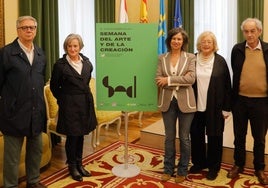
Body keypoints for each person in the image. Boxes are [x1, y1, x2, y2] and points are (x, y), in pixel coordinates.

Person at [0, 16, 47, 188]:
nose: (29, 30)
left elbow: (41, 80)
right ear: (18, 30)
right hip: (14, 114)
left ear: (36, 30)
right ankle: (10, 185)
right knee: (12, 157)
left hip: (36, 112)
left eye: (32, 27)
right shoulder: (6, 53)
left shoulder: (41, 54)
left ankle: (33, 181)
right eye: (25, 27)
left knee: (36, 151)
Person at [50, 33, 97, 182]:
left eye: (75, 46)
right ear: (66, 47)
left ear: (80, 47)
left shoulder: (88, 63)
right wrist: (64, 99)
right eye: (69, 46)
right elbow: (54, 87)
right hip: (69, 104)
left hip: (84, 102)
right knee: (72, 136)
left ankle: (79, 164)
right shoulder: (60, 65)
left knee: (81, 134)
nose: (72, 48)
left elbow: (87, 81)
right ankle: (72, 166)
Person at [227, 18, 268, 185]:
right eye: (246, 31)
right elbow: (235, 75)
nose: (249, 34)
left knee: (259, 138)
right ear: (243, 32)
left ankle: (259, 168)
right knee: (239, 136)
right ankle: (239, 164)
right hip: (240, 101)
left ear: (259, 31)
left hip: (262, 102)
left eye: (253, 31)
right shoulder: (237, 49)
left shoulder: (267, 49)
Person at [155, 27, 196, 183]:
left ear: (183, 41)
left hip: (186, 102)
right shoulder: (161, 58)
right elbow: (159, 79)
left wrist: (170, 80)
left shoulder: (191, 57)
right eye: (174, 38)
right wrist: (180, 79)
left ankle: (182, 170)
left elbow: (191, 79)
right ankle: (168, 169)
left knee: (185, 138)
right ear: (169, 41)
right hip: (167, 102)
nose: (176, 41)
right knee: (169, 137)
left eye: (179, 39)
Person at [189, 31, 232, 180]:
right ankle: (199, 163)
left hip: (215, 107)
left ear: (214, 45)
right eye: (203, 41)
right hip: (194, 106)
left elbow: (228, 86)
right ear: (199, 44)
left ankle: (214, 167)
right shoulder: (192, 59)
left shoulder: (220, 61)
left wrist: (227, 108)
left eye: (209, 42)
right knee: (196, 135)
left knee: (215, 136)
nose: (206, 44)